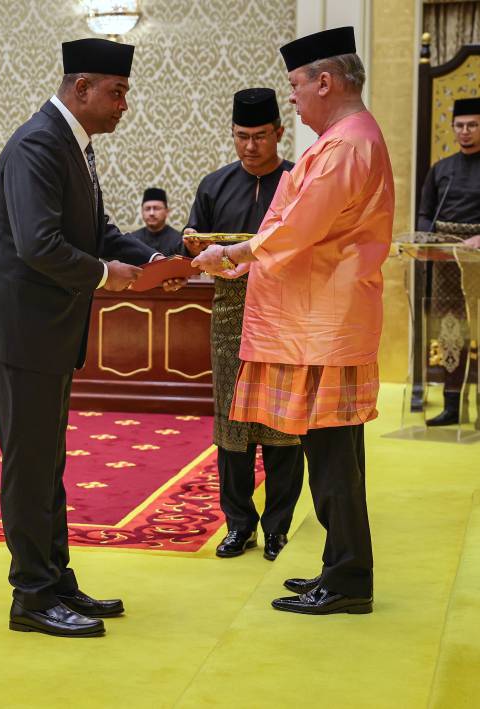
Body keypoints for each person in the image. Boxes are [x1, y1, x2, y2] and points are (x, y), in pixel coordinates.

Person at [0, 38, 180, 638]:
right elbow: (38, 244)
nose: (123, 105)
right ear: (81, 88)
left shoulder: (69, 143)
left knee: (46, 462)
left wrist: (165, 255)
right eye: (117, 93)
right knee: (29, 466)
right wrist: (113, 275)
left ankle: (54, 578)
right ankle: (31, 596)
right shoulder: (38, 143)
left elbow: (97, 230)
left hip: (46, 332)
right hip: (21, 331)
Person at [193, 26, 393, 616]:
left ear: (324, 81)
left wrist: (231, 255)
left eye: (297, 87)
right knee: (330, 452)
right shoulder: (346, 138)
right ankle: (340, 568)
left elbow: (298, 227)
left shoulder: (345, 144)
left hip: (325, 323)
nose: (296, 99)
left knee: (333, 457)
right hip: (321, 319)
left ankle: (350, 578)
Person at [183, 88, 304, 562]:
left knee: (281, 424)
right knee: (231, 423)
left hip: (286, 312)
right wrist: (192, 247)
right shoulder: (214, 184)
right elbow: (193, 242)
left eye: (259, 136)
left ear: (278, 132)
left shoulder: (298, 180)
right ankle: (238, 526)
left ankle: (277, 527)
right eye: (240, 136)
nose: (249, 146)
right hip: (230, 312)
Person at [414, 97, 480, 426]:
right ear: (452, 128)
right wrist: (432, 238)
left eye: (472, 125)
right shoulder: (442, 170)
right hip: (445, 262)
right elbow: (425, 213)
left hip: (478, 258)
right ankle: (453, 406)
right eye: (460, 126)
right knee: (451, 329)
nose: (465, 131)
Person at [129, 188, 186, 256]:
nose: (151, 213)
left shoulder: (178, 240)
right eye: (147, 209)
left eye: (156, 208)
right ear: (142, 212)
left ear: (167, 212)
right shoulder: (133, 239)